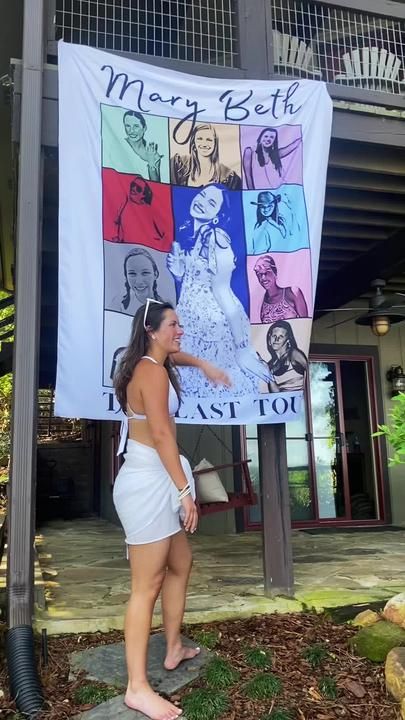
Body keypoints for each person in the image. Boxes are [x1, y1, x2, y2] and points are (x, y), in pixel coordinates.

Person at [113, 299, 229, 720]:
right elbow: (162, 434)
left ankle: (173, 646)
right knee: (147, 585)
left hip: (160, 477)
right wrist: (185, 491)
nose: (180, 331)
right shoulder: (151, 372)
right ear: (152, 329)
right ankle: (136, 688)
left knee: (180, 563)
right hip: (148, 485)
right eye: (174, 325)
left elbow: (176, 354)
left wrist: (206, 366)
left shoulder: (151, 363)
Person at [167, 184, 270, 396]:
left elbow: (222, 290)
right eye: (202, 195)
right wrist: (178, 273)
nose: (202, 202)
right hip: (189, 321)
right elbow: (194, 281)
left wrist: (242, 348)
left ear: (218, 215)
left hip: (212, 330)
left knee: (213, 388)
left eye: (211, 203)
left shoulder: (217, 238)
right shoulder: (189, 233)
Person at [171, 123, 241, 189]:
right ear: (193, 143)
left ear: (215, 144)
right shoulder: (178, 165)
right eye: (200, 139)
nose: (204, 144)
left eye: (209, 140)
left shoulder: (228, 177)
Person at [111, 175, 167, 246]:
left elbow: (165, 234)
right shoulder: (124, 204)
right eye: (133, 185)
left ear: (143, 194)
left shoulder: (151, 211)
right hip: (126, 249)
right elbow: (118, 226)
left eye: (138, 188)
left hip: (148, 251)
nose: (133, 189)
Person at [253, 255, 308, 322]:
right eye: (259, 274)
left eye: (266, 273)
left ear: (274, 272)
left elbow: (305, 323)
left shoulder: (293, 292)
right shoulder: (261, 302)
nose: (263, 278)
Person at [110, 248, 164, 316]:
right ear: (126, 276)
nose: (139, 281)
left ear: (155, 274)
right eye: (132, 274)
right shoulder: (117, 305)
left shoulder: (166, 308)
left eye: (145, 273)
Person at [265, 320, 307, 393]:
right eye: (274, 336)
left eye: (281, 336)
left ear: (288, 340)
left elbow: (312, 373)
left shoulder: (294, 354)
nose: (276, 339)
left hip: (301, 403)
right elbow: (276, 394)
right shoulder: (271, 365)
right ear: (269, 338)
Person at [123, 110, 163, 182]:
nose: (131, 131)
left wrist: (151, 162)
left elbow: (156, 185)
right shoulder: (119, 145)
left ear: (144, 128)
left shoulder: (154, 155)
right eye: (128, 126)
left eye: (136, 126)